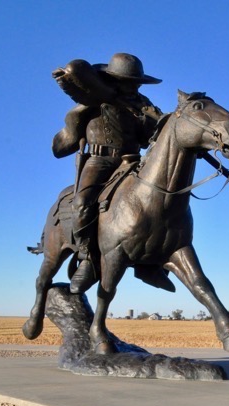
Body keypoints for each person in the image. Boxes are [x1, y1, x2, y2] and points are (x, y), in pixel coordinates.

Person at [51, 53, 163, 293]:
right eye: (129, 81)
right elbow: (77, 71)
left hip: (132, 161)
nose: (134, 86)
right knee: (82, 203)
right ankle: (88, 258)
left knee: (160, 197)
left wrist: (149, 121)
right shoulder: (94, 99)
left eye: (137, 82)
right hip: (100, 160)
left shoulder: (143, 105)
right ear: (115, 79)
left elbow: (149, 138)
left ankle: (153, 264)